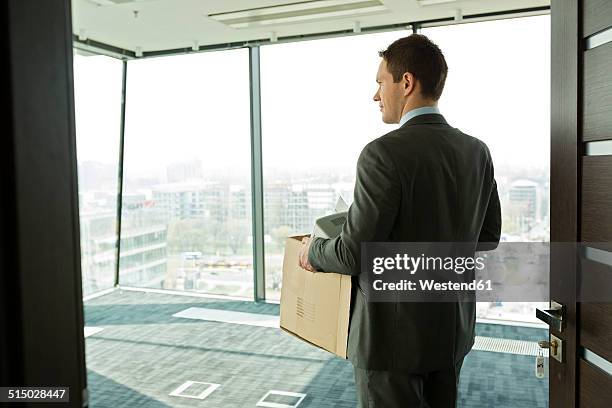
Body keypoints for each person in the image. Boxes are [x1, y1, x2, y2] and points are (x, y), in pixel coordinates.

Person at [298, 34, 501, 408]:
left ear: (406, 83)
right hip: (450, 334)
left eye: (380, 83)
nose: (376, 95)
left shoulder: (382, 154)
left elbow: (350, 255)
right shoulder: (477, 152)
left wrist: (314, 251)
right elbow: (487, 238)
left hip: (391, 345)